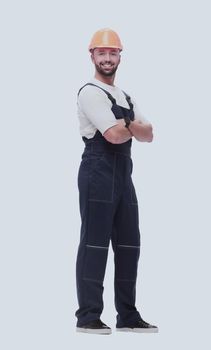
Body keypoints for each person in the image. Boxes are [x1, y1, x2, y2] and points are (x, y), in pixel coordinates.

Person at [75, 28, 158, 335]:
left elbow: (149, 134)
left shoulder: (125, 96)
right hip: (98, 171)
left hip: (124, 175)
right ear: (92, 56)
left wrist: (129, 126)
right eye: (102, 53)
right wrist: (132, 125)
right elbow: (112, 135)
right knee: (94, 244)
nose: (107, 58)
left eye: (113, 53)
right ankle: (88, 316)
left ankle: (128, 315)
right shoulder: (90, 92)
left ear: (120, 56)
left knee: (129, 245)